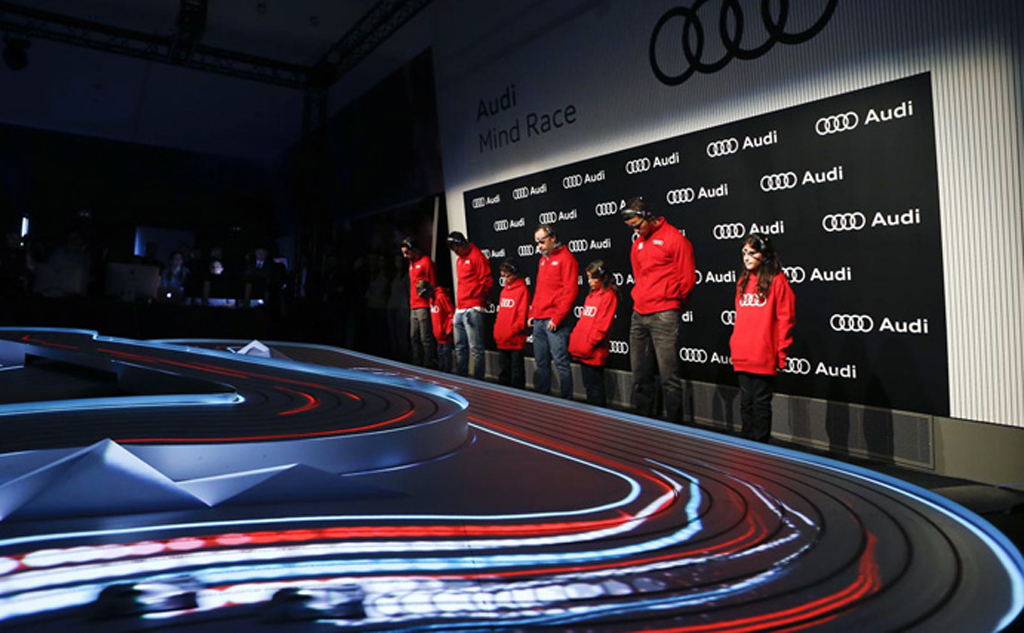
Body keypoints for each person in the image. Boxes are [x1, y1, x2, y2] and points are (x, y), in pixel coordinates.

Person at [620, 196, 696, 423]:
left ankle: (674, 427)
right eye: (631, 228)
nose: (635, 231)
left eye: (637, 225)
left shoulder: (674, 238)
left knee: (668, 376)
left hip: (664, 313)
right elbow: (639, 276)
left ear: (648, 216)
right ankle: (644, 422)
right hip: (639, 313)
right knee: (640, 374)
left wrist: (671, 303)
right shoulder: (637, 244)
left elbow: (687, 279)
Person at [729, 233, 795, 443]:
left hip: (762, 354)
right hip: (742, 353)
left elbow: (785, 320)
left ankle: (760, 450)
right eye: (744, 253)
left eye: (752, 253)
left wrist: (781, 354)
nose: (746, 258)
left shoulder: (777, 281)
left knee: (760, 404)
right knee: (745, 404)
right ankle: (746, 447)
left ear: (764, 254)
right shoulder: (743, 281)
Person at [528, 223, 579, 398]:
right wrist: (532, 313)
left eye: (542, 241)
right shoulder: (543, 261)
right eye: (537, 242)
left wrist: (557, 318)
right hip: (539, 319)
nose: (539, 246)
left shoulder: (567, 259)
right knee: (541, 363)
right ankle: (543, 398)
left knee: (561, 363)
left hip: (554, 321)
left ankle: (567, 401)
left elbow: (570, 291)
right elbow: (539, 290)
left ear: (553, 238)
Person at [569, 260, 619, 407]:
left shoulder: (609, 296)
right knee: (588, 386)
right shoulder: (591, 296)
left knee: (595, 388)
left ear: (603, 278)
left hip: (595, 351)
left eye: (593, 278)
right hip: (584, 351)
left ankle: (599, 418)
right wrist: (576, 341)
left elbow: (601, 326)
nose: (589, 282)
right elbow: (583, 322)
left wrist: (589, 344)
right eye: (588, 278)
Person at [448, 231, 492, 379]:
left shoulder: (476, 256)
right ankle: (461, 377)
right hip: (460, 307)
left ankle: (478, 381)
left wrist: (476, 297)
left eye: (456, 249)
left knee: (476, 348)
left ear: (462, 243)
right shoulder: (459, 260)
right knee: (460, 346)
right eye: (453, 250)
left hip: (473, 307)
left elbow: (487, 281)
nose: (456, 252)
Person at [493, 259, 530, 389]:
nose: (505, 279)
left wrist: (512, 330)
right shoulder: (504, 291)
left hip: (515, 339)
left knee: (516, 371)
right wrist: (498, 330)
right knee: (504, 370)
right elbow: (501, 314)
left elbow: (522, 315)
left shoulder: (522, 290)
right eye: (503, 276)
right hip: (502, 338)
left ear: (515, 274)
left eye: (507, 276)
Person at [401, 239, 437, 368]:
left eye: (406, 252)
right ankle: (417, 362)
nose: (405, 256)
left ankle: (428, 364)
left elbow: (433, 282)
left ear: (413, 250)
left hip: (423, 305)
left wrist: (432, 302)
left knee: (425, 337)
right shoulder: (411, 264)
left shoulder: (426, 262)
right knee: (413, 337)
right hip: (414, 305)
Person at [417, 280, 455, 373]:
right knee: (441, 360)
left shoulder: (441, 297)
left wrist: (448, 329)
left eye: (425, 295)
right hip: (438, 337)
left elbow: (451, 313)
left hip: (445, 335)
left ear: (429, 290)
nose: (425, 298)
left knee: (446, 360)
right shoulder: (431, 299)